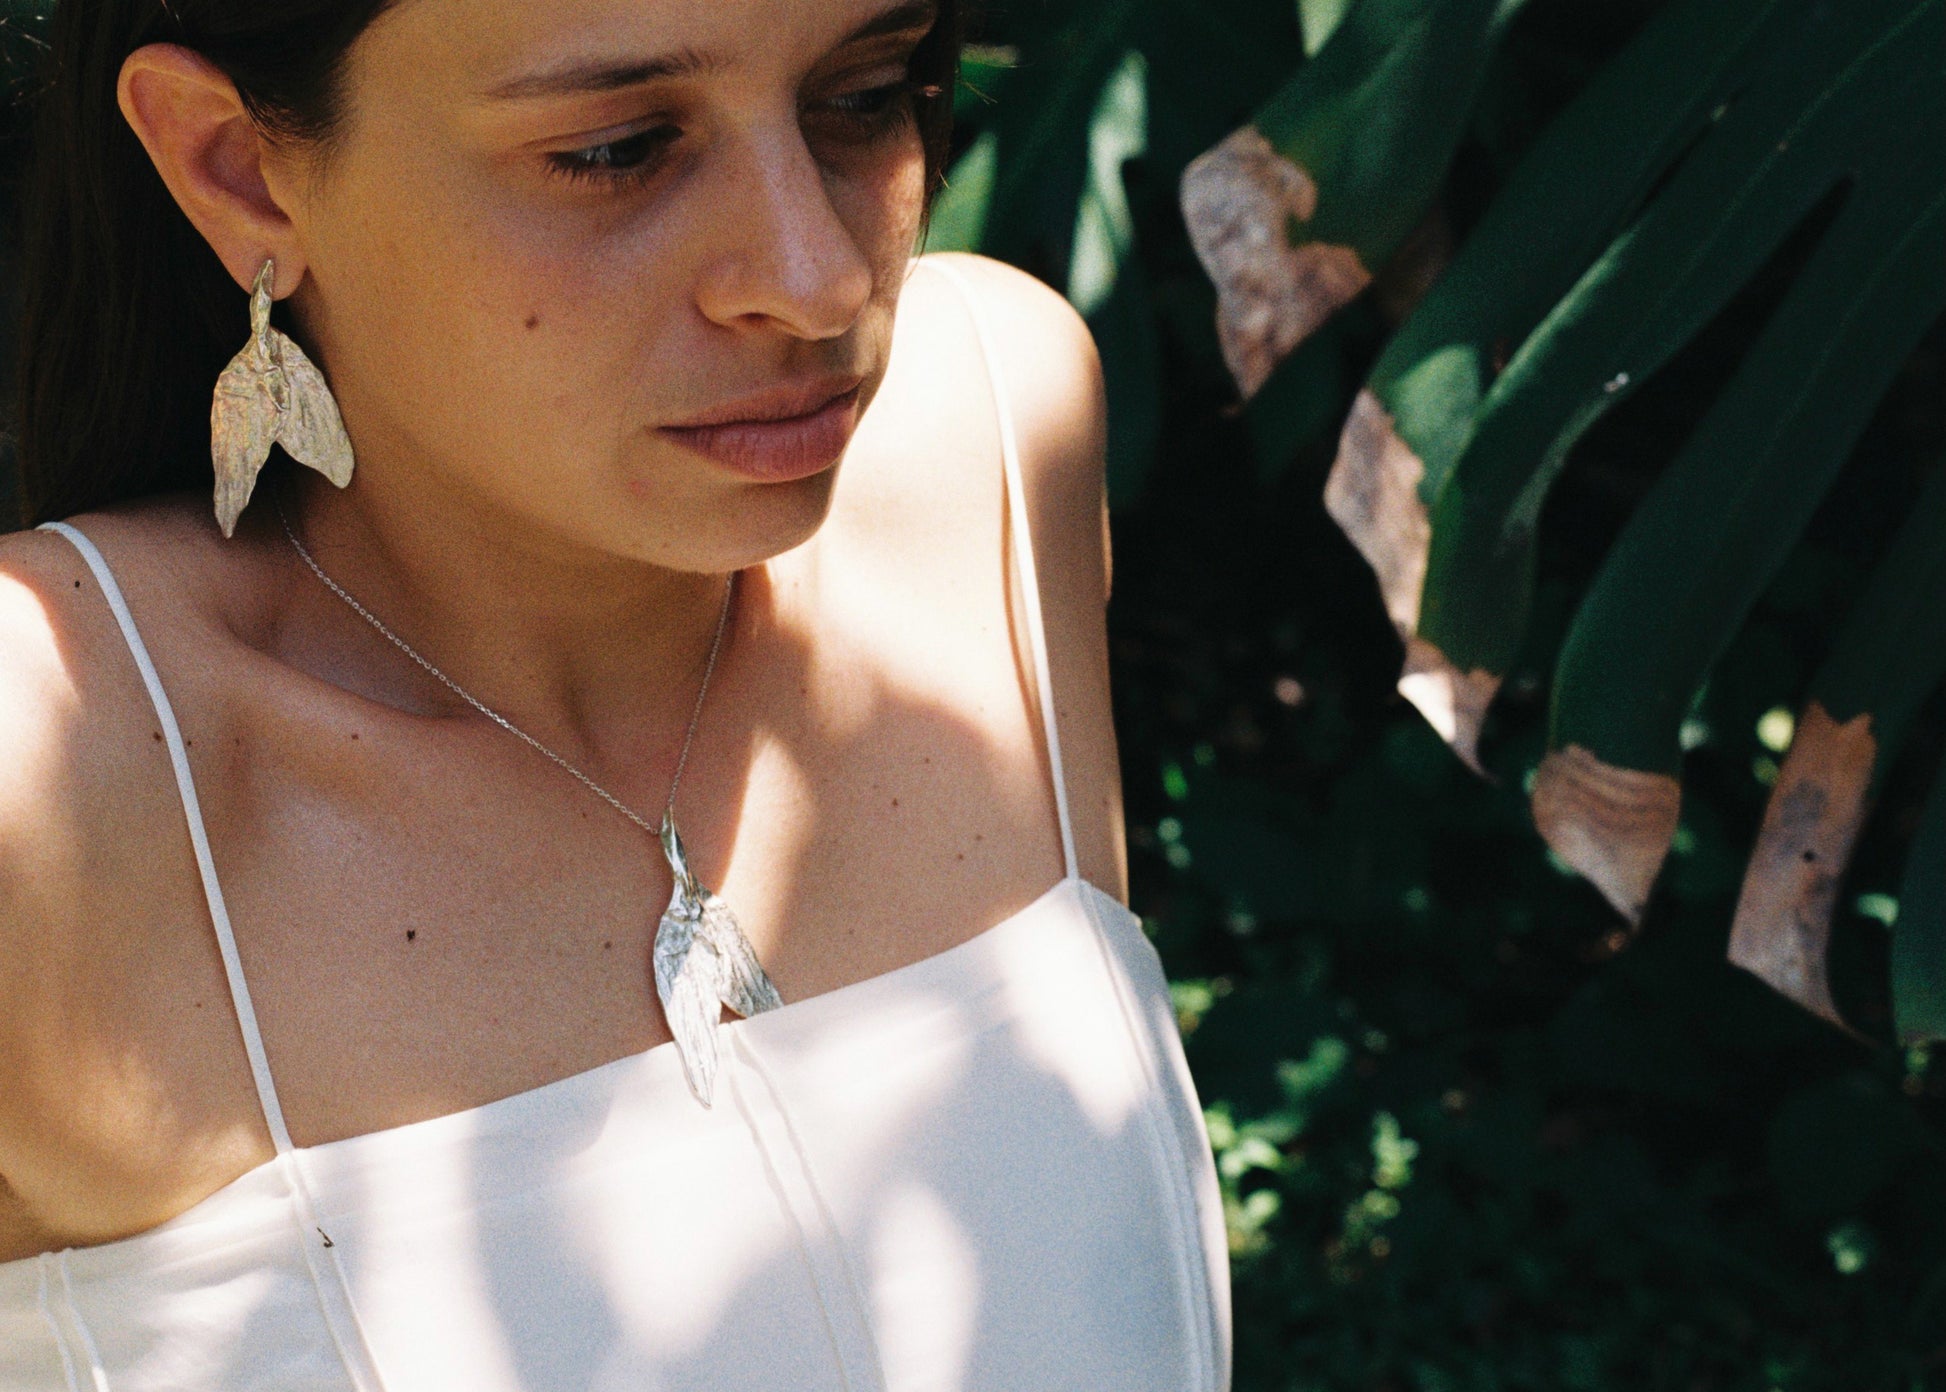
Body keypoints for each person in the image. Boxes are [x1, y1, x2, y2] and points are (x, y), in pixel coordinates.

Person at [0, 0, 1231, 1387]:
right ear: (234, 165)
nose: (817, 278)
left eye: (868, 94)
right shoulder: (51, 772)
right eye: (619, 147)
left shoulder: (988, 432)